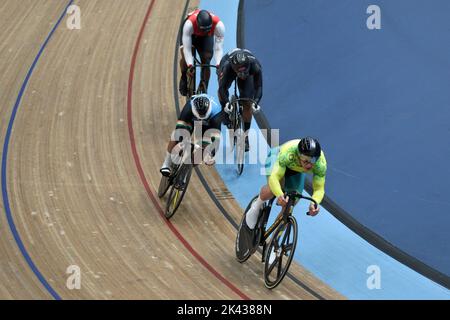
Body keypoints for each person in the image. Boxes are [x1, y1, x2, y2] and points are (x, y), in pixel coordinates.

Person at [241, 137, 327, 244]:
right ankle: (256, 206)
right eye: (306, 161)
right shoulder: (288, 153)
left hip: (295, 171)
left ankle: (274, 242)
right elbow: (274, 178)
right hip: (276, 159)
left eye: (313, 161)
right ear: (299, 156)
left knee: (290, 205)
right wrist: (279, 194)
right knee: (274, 189)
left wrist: (314, 203)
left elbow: (319, 189)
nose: (310, 165)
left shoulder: (320, 164)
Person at [160, 94, 222, 176]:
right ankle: (166, 164)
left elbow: (215, 139)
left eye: (203, 116)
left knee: (202, 153)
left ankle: (184, 172)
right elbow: (179, 128)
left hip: (208, 125)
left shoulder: (216, 113)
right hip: (190, 119)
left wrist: (211, 154)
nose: (200, 118)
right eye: (199, 116)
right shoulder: (189, 106)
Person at [217, 48, 263, 151]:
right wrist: (225, 103)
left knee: (247, 101)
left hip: (245, 69)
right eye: (240, 72)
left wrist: (255, 102)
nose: (242, 74)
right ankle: (226, 112)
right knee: (222, 90)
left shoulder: (254, 66)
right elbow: (222, 89)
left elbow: (259, 87)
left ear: (248, 66)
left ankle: (245, 137)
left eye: (244, 71)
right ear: (235, 69)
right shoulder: (227, 67)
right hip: (227, 65)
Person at [179, 9, 225, 96]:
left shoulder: (219, 26)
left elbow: (218, 48)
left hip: (206, 37)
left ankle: (204, 87)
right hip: (191, 34)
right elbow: (187, 49)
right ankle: (184, 76)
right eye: (203, 30)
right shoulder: (188, 25)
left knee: (206, 60)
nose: (204, 31)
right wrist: (189, 65)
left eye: (207, 29)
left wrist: (218, 64)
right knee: (186, 56)